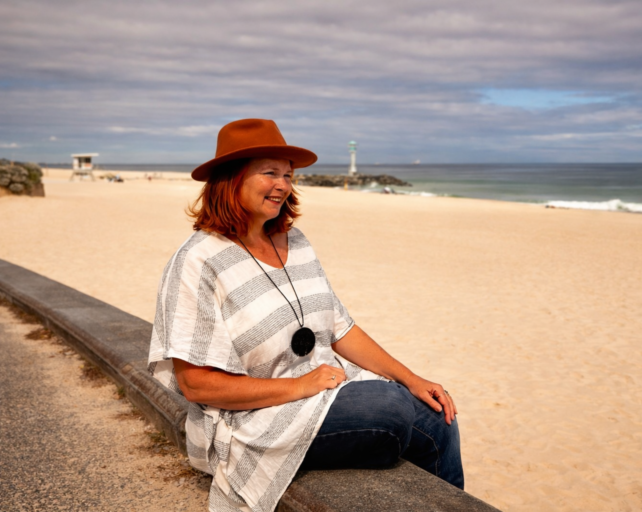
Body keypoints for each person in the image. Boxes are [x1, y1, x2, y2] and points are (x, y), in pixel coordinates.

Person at [147, 119, 462, 512]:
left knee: (437, 411)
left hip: (323, 392)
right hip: (253, 421)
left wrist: (412, 378)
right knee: (391, 406)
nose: (283, 185)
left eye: (288, 175)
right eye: (270, 173)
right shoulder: (197, 262)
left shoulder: (294, 241)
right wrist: (300, 387)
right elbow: (196, 384)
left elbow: (338, 326)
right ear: (231, 178)